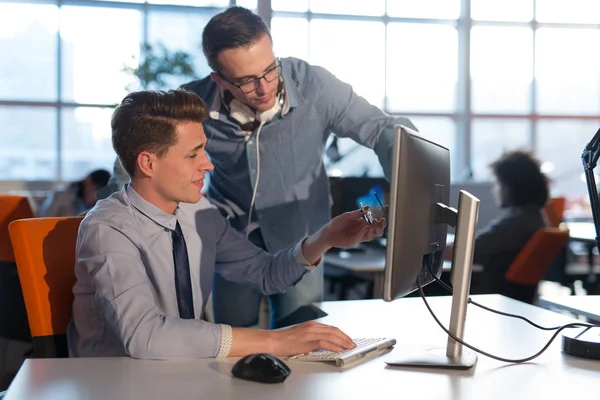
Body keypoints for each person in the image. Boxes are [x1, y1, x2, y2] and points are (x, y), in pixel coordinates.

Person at [101, 6, 417, 329]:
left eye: (270, 70)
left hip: (302, 235)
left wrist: (413, 178)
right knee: (236, 347)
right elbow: (136, 159)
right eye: (247, 82)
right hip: (231, 241)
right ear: (219, 80)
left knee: (303, 338)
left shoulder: (315, 88)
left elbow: (381, 130)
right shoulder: (193, 104)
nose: (265, 88)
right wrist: (119, 225)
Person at [67, 89, 386, 359]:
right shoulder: (108, 229)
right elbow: (145, 336)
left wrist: (326, 237)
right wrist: (276, 340)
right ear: (148, 163)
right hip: (115, 384)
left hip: (182, 376)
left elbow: (265, 273)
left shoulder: (199, 214)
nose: (207, 164)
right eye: (193, 154)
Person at [464, 150, 549, 303]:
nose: (495, 189)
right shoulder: (535, 217)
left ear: (511, 187)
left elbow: (462, 250)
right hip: (512, 296)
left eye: (497, 183)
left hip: (488, 295)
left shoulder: (516, 223)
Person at [39, 169, 111, 217]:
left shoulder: (102, 204)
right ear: (87, 180)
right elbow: (43, 221)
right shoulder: (61, 196)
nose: (95, 197)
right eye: (95, 190)